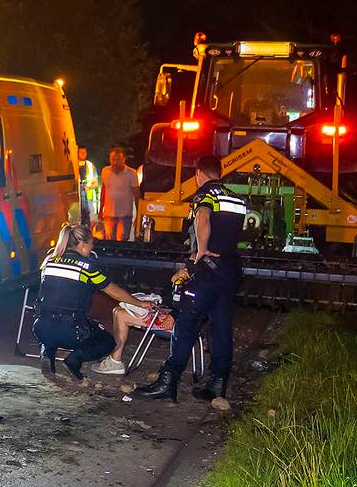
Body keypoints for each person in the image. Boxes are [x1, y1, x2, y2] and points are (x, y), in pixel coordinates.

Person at [135, 155, 247, 402]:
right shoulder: (237, 198)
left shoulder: (206, 193)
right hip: (230, 271)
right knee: (220, 328)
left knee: (185, 324)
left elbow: (203, 217)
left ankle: (168, 382)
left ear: (199, 173)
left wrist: (202, 249)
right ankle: (218, 384)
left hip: (208, 271)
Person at [34, 223, 153, 380]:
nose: (92, 248)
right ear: (83, 244)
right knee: (108, 342)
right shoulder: (88, 267)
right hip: (70, 331)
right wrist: (139, 303)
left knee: (53, 327)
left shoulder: (49, 260)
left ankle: (47, 354)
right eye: (92, 244)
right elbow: (113, 291)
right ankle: (74, 360)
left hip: (40, 327)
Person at [98, 148, 139, 241]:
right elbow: (103, 191)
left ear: (124, 160)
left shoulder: (131, 173)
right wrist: (101, 210)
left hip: (124, 215)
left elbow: (137, 195)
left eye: (118, 160)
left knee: (121, 240)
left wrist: (138, 215)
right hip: (108, 214)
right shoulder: (105, 171)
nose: (115, 162)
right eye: (113, 159)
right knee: (109, 241)